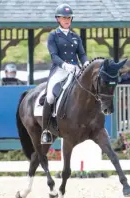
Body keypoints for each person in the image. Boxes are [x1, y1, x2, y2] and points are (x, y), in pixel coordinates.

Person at [41, 3, 89, 144]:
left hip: (76, 69)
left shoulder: (75, 36)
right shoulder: (53, 36)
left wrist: (86, 63)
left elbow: (82, 53)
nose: (67, 20)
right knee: (50, 96)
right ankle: (46, 130)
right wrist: (64, 65)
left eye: (69, 17)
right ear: (58, 19)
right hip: (60, 69)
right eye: (64, 17)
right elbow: (54, 55)